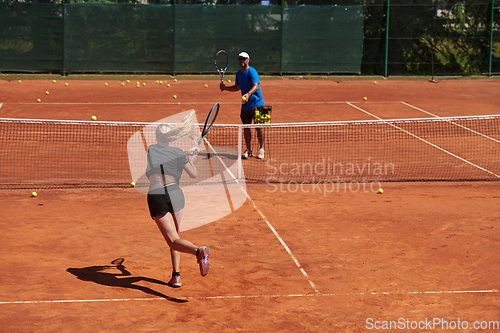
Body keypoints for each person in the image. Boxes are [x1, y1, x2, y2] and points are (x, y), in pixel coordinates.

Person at [146, 111, 210, 288]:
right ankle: (176, 275)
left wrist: (188, 155)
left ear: (157, 136)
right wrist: (191, 157)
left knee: (173, 240)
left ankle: (199, 251)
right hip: (175, 194)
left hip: (157, 195)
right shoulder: (177, 153)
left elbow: (166, 156)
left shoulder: (152, 149)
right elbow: (193, 173)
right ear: (170, 137)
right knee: (176, 237)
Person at [220, 51, 266, 159]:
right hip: (245, 106)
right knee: (246, 128)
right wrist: (225, 88)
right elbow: (237, 87)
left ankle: (261, 149)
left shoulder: (252, 71)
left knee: (258, 128)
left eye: (243, 59)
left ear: (248, 60)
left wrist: (249, 94)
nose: (241, 61)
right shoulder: (238, 74)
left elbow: (256, 86)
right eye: (239, 59)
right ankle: (248, 150)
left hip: (257, 104)